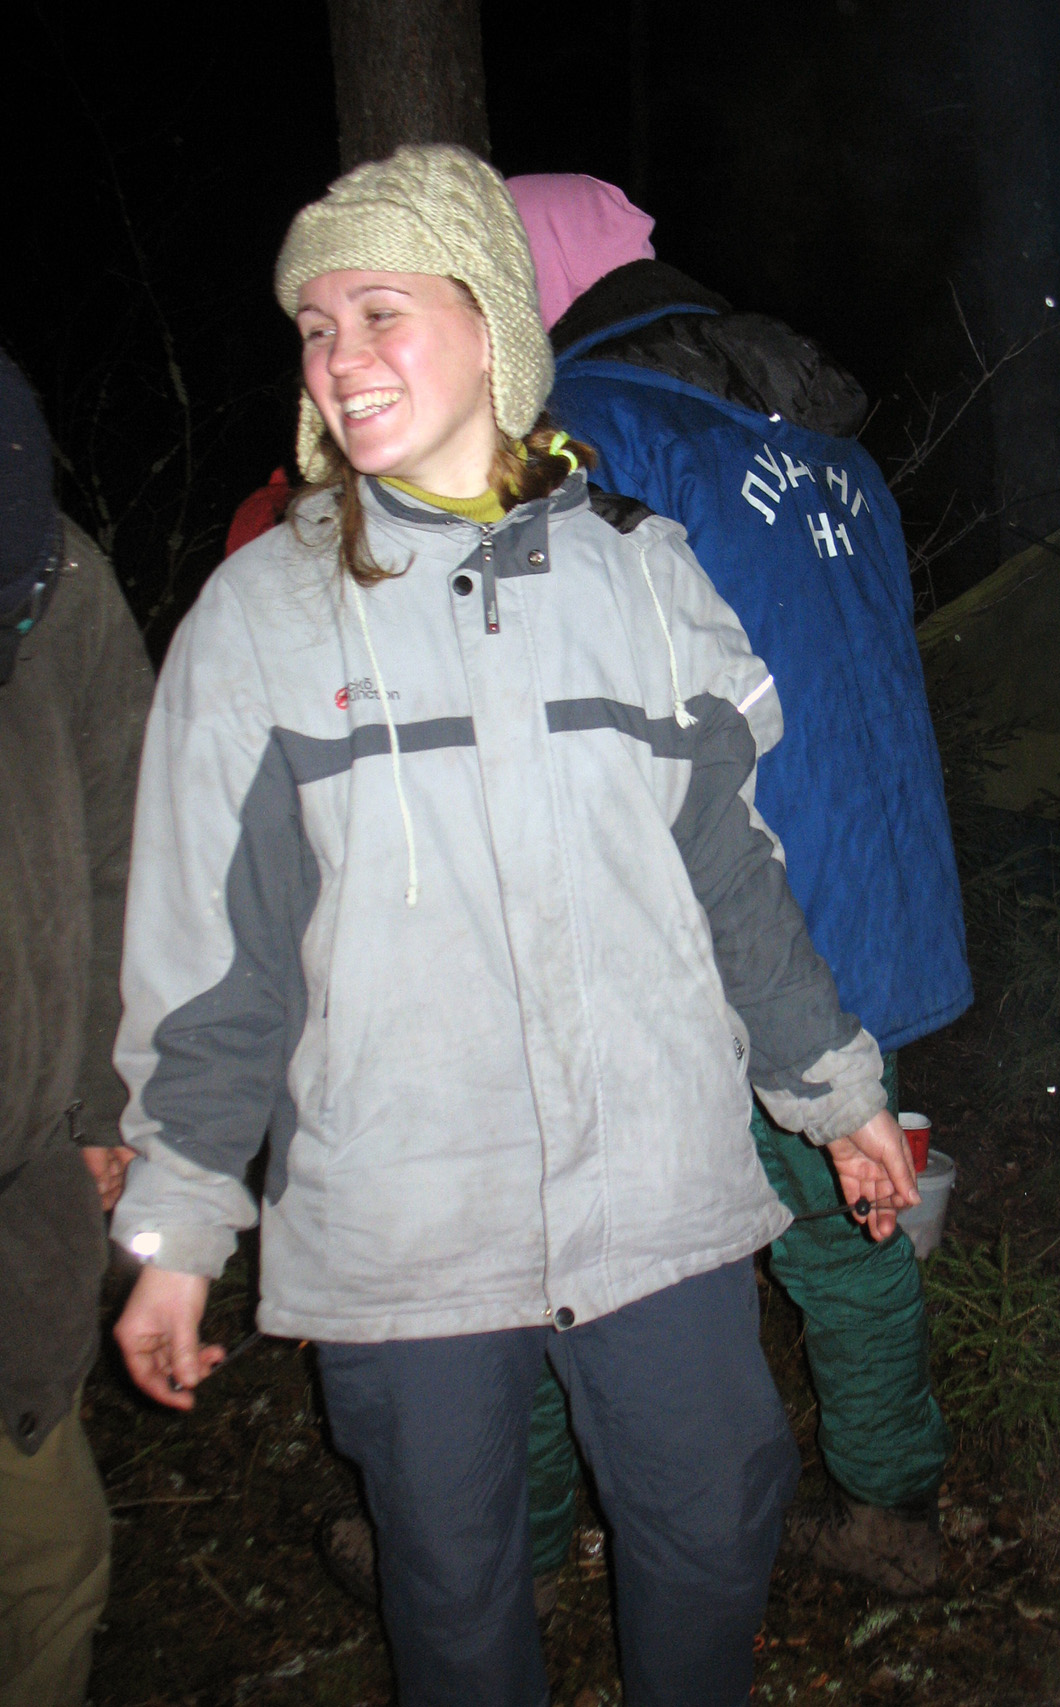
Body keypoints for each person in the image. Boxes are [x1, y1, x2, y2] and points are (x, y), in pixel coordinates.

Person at [108, 145, 920, 1707]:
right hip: (405, 1215)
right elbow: (217, 957)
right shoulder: (262, 616)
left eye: (381, 312)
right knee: (455, 1589)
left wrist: (841, 1091)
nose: (341, 358)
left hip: (658, 1188)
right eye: (316, 328)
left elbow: (733, 872)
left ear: (493, 323)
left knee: (716, 1515)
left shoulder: (642, 574)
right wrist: (179, 1225)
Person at [502, 173, 968, 1596]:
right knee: (851, 1223)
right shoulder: (829, 446)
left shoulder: (590, 429)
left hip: (726, 908)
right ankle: (893, 1507)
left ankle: (517, 1545)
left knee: (550, 1235)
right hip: (870, 895)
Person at [0, 349, 152, 1707]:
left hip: (26, 1190)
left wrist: (107, 1100)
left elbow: (122, 849)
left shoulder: (57, 571)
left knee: (51, 1565)